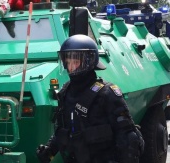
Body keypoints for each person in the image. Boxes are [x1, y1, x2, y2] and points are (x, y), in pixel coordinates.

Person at [36, 34, 144, 163]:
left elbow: (127, 136)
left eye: (75, 62)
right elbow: (63, 129)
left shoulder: (107, 93)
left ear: (89, 61)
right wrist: (50, 150)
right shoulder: (66, 91)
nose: (70, 67)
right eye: (68, 62)